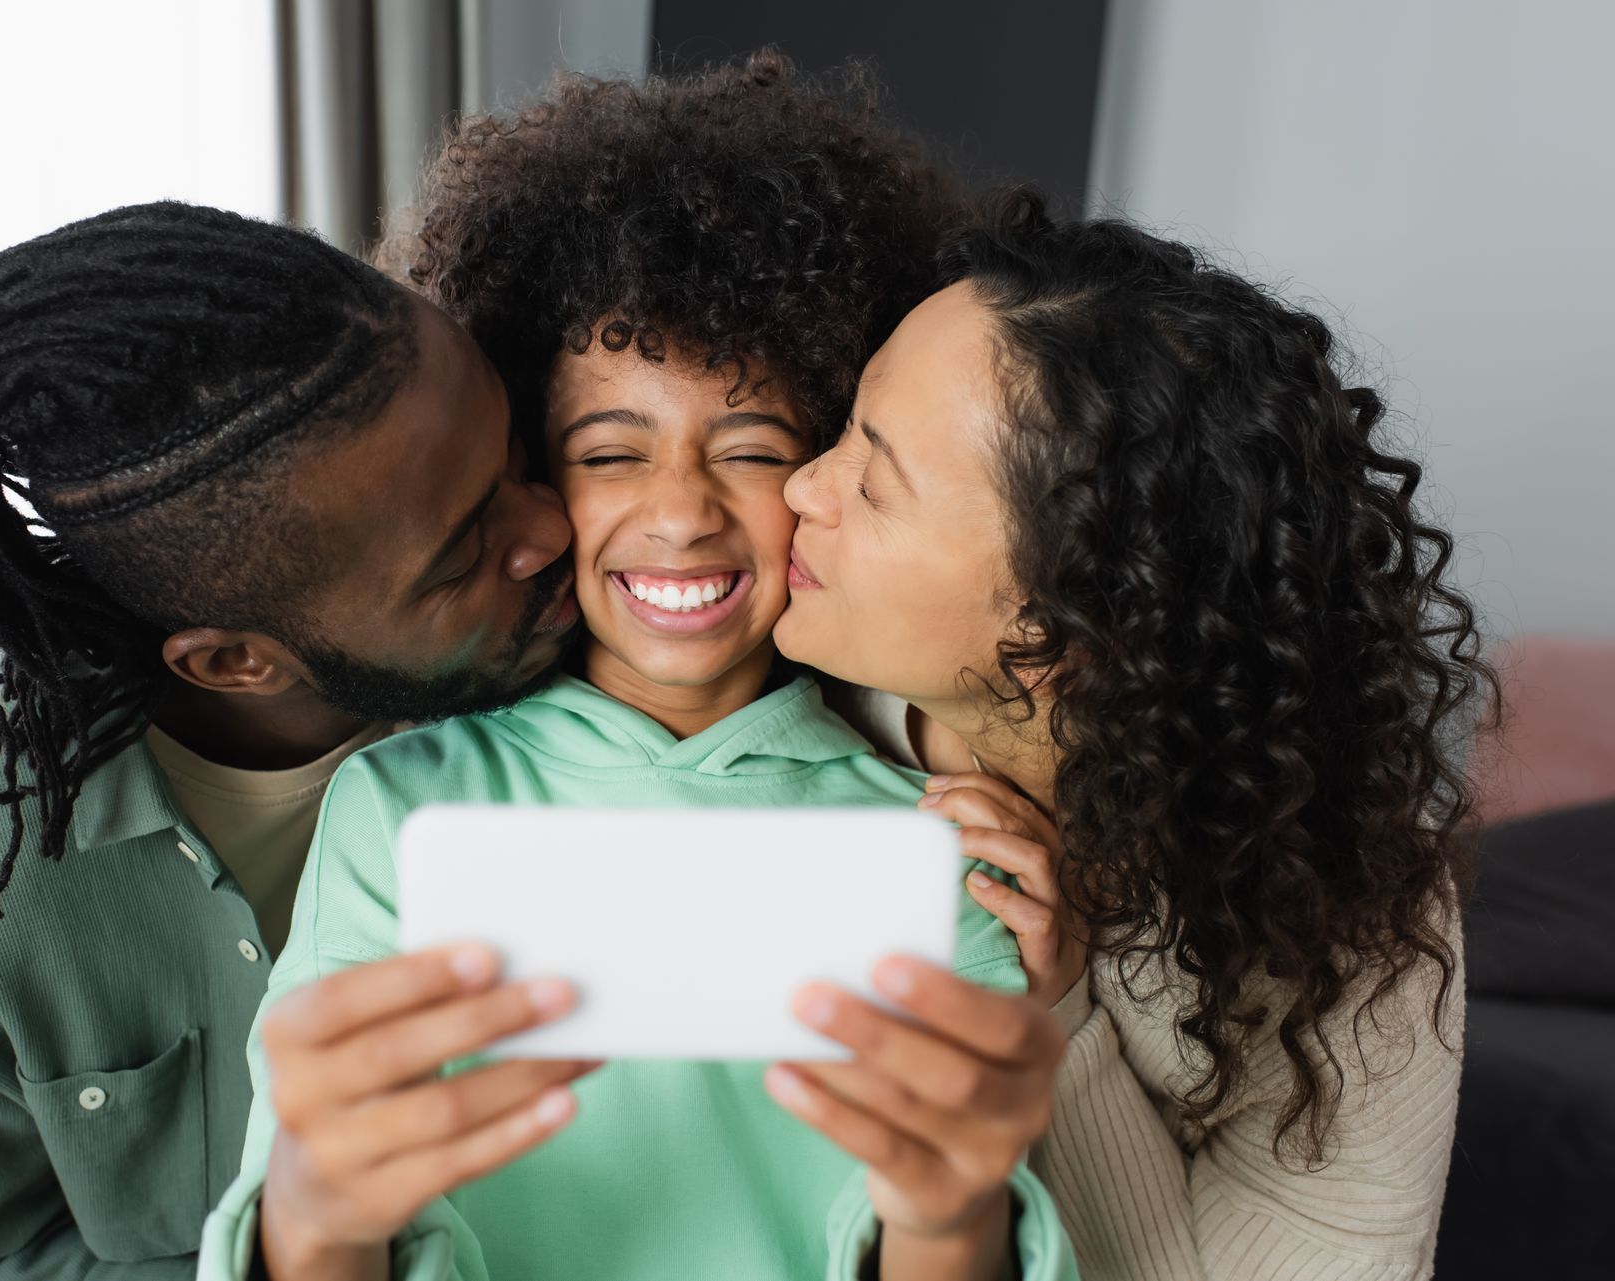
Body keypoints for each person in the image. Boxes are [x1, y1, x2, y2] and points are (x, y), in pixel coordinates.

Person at [203, 56, 1077, 1281]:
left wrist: (945, 1217)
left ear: (829, 478)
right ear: (528, 473)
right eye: (611, 454)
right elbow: (321, 1207)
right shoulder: (401, 809)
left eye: (753, 450)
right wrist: (318, 1214)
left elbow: (955, 1219)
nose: (680, 513)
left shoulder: (931, 845)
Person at [0, 202, 578, 1278]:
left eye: (516, 453)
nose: (552, 526)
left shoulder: (607, 649)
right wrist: (288, 1253)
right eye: (461, 557)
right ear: (235, 662)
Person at [774, 187, 1497, 1280]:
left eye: (872, 483)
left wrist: (1061, 1023)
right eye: (842, 431)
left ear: (1066, 627)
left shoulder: (1349, 916)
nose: (799, 487)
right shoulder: (767, 693)